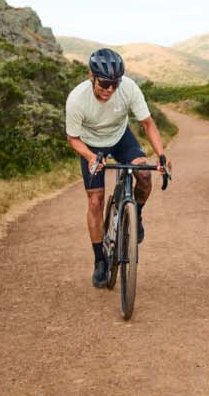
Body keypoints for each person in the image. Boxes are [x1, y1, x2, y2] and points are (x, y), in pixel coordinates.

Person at [65, 48, 170, 287]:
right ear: (91, 76)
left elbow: (147, 123)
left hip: (121, 138)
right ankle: (100, 260)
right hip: (90, 145)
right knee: (95, 201)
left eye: (115, 84)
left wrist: (162, 155)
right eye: (104, 84)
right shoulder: (77, 99)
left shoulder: (129, 89)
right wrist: (91, 157)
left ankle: (136, 215)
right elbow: (73, 138)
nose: (110, 90)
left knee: (144, 174)